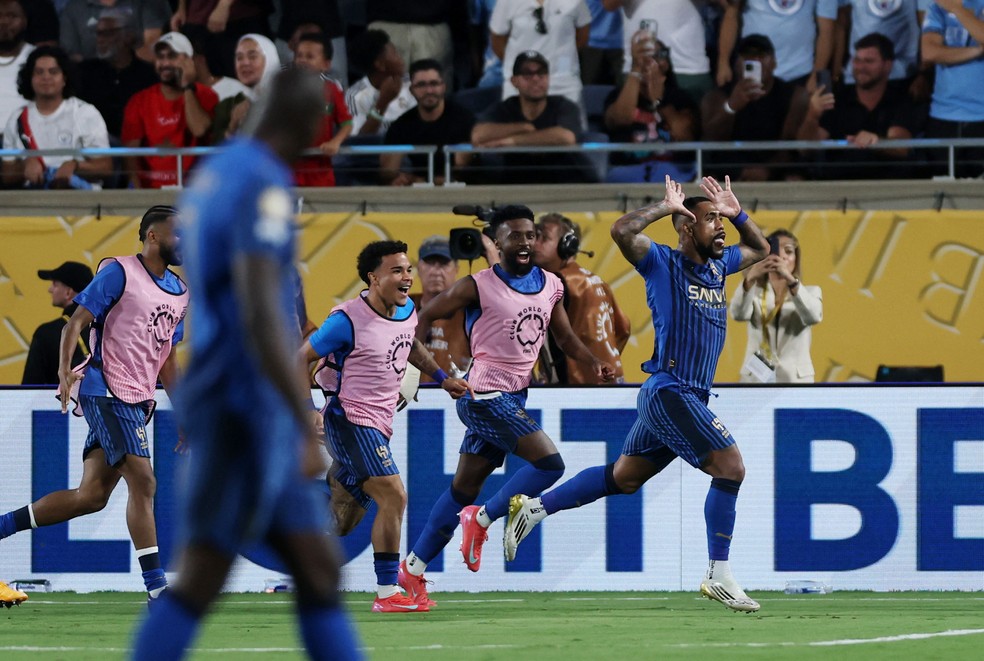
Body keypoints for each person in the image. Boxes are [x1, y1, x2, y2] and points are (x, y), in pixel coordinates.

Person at [130, 69, 362, 660]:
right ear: (309, 121)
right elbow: (262, 307)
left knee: (306, 570)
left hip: (223, 393)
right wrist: (298, 409)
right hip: (245, 402)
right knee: (230, 572)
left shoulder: (215, 175)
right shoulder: (263, 181)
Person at [504, 175, 770, 614]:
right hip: (670, 391)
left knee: (624, 478)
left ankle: (534, 509)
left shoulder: (720, 266)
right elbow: (622, 231)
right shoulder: (661, 261)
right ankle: (718, 573)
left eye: (723, 222)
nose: (721, 228)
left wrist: (736, 211)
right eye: (711, 221)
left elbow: (761, 249)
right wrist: (666, 207)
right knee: (731, 467)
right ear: (686, 227)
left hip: (688, 397)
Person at [398, 204, 616, 608]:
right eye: (515, 236)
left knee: (462, 489)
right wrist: (427, 372)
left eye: (530, 235)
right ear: (495, 243)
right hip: (483, 397)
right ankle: (482, 520)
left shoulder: (552, 284)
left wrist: (594, 361)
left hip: (513, 396)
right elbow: (421, 317)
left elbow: (565, 339)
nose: (525, 242)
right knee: (550, 464)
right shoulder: (475, 285)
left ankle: (410, 571)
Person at [0, 205, 189, 604]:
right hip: (105, 389)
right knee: (145, 481)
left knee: (91, 497)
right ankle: (157, 587)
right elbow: (75, 322)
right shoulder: (119, 272)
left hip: (138, 399)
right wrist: (65, 369)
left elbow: (167, 357)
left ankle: (1, 526)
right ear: (153, 236)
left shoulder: (180, 293)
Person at [300, 240, 470, 613]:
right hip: (349, 420)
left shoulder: (407, 308)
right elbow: (301, 358)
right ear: (373, 278)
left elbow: (410, 344)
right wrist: (308, 409)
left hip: (379, 424)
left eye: (408, 269)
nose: (407, 277)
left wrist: (442, 378)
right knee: (394, 496)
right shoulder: (345, 320)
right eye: (397, 270)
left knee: (341, 522)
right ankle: (387, 592)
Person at [796, 32, 926, 179]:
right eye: (857, 60)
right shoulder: (838, 98)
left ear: (888, 66)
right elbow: (805, 148)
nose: (860, 67)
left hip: (885, 186)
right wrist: (812, 115)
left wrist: (875, 141)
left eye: (869, 61)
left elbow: (901, 147)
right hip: (838, 185)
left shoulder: (900, 100)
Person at [532, 213, 630, 384]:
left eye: (543, 237)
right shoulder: (599, 282)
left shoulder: (556, 282)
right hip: (612, 383)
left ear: (566, 246)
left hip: (575, 387)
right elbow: (624, 328)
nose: (534, 243)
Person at [471, 50, 593, 183]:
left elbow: (565, 137)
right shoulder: (505, 108)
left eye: (541, 73)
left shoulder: (564, 106)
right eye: (527, 74)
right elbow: (478, 135)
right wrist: (525, 127)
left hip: (562, 184)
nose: (535, 79)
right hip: (516, 184)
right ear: (514, 81)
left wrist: (511, 141)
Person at [1, 45, 112, 189]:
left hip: (80, 201)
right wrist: (24, 166)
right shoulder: (17, 118)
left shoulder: (85, 113)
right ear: (30, 78)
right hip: (34, 202)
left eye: (53, 72)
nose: (46, 77)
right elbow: (7, 174)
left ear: (64, 78)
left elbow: (105, 167)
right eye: (39, 72)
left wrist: (75, 166)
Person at [701, 34, 809, 181]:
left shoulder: (794, 95)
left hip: (775, 164)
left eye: (762, 55)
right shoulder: (718, 95)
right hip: (731, 164)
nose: (755, 60)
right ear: (737, 63)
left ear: (774, 63)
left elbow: (788, 145)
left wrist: (765, 170)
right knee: (709, 179)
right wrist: (731, 106)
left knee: (794, 178)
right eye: (748, 56)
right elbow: (711, 140)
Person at [121, 31, 218, 189]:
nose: (164, 63)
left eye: (172, 56)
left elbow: (199, 129)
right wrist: (138, 197)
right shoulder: (139, 101)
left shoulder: (207, 95)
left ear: (188, 60)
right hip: (152, 192)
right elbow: (130, 156)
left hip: (194, 191)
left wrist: (187, 86)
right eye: (160, 57)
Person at [603, 31, 698, 183]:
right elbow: (619, 120)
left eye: (658, 55)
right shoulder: (618, 95)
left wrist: (659, 101)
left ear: (666, 63)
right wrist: (636, 69)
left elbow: (683, 135)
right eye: (646, 55)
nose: (651, 61)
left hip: (673, 170)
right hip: (629, 171)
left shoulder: (680, 98)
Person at [730, 229, 822, 383]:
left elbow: (813, 316)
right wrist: (751, 277)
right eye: (776, 250)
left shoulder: (810, 292)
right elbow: (738, 315)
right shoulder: (753, 291)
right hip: (756, 379)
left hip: (796, 380)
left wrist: (791, 280)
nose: (783, 256)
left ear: (796, 259)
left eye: (789, 251)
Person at [381, 58, 475, 185]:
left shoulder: (465, 119)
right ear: (411, 90)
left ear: (443, 86)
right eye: (421, 85)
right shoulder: (401, 125)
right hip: (420, 194)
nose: (429, 90)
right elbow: (387, 172)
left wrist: (420, 180)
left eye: (434, 83)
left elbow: (460, 171)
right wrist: (399, 179)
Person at [606, 0, 715, 106]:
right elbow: (609, 4)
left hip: (688, 70)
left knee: (693, 121)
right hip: (638, 68)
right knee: (636, 121)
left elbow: (728, 6)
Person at [921, 0, 984, 178]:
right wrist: (977, 51)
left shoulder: (950, 5)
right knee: (943, 191)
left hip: (981, 115)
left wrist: (957, 9)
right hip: (943, 114)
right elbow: (929, 52)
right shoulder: (937, 7)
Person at [75, 8, 158, 139]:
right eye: (98, 34)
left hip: (138, 147)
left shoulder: (149, 76)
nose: (100, 40)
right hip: (93, 146)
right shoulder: (83, 73)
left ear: (128, 36)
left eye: (107, 34)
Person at [489, 0, 592, 106]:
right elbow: (497, 40)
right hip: (520, 85)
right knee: (518, 122)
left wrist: (562, 64)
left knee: (568, 120)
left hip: (563, 81)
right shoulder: (506, 2)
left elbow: (582, 37)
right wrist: (519, 68)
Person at [717, 0, 837, 87]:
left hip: (802, 70)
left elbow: (827, 31)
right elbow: (731, 14)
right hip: (753, 66)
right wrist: (723, 62)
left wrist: (817, 74)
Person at [291, 32, 352, 187]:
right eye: (299, 55)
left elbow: (347, 124)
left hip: (321, 173)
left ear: (326, 64)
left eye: (310, 56)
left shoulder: (332, 91)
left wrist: (335, 142)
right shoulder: (284, 92)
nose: (303, 60)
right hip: (288, 171)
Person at [22, 260, 94, 385]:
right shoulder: (107, 329)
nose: (50, 289)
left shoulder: (46, 333)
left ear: (68, 292)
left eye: (55, 284)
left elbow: (30, 388)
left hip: (60, 403)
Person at [410, 236, 471, 382]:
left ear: (456, 269)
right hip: (407, 400)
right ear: (418, 268)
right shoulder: (401, 308)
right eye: (430, 263)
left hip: (455, 398)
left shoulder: (471, 312)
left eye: (444, 264)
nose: (436, 271)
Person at [210, 33, 280, 143]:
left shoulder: (286, 100)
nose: (245, 63)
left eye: (252, 56)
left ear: (270, 60)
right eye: (239, 58)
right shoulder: (232, 103)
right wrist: (233, 125)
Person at [346, 29, 416, 137]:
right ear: (380, 64)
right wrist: (382, 103)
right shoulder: (355, 96)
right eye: (395, 54)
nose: (401, 59)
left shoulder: (412, 82)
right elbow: (360, 141)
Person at [59, 0, 171, 64]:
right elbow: (72, 58)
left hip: (140, 79)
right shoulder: (73, 9)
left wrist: (122, 61)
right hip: (91, 85)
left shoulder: (150, 2)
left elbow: (155, 49)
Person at [0, 0, 35, 142]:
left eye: (12, 16)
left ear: (24, 21)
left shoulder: (37, 58)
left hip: (25, 140)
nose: (4, 22)